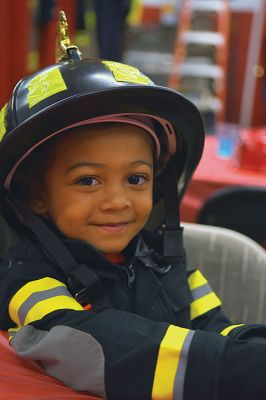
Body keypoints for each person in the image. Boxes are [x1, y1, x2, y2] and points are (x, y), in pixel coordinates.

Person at [0, 22, 266, 400]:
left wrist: (250, 348)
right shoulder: (28, 280)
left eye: (136, 179)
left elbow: (215, 330)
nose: (117, 201)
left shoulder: (171, 265)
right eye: (88, 181)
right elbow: (89, 346)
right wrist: (244, 368)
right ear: (37, 196)